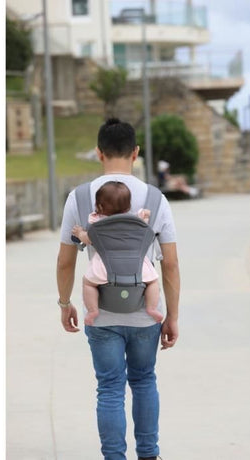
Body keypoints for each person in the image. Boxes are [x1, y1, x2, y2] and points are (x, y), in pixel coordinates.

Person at [56, 118, 180, 460]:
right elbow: (170, 263)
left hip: (101, 313)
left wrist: (65, 303)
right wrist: (172, 315)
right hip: (145, 311)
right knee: (144, 380)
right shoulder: (155, 198)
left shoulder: (80, 197)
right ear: (135, 153)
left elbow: (66, 261)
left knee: (109, 388)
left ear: (99, 153)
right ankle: (149, 454)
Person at [71, 180, 163, 326]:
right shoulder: (135, 219)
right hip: (137, 265)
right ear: (128, 206)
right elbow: (144, 224)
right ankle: (152, 308)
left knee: (88, 283)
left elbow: (88, 239)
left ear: (99, 206)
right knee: (152, 282)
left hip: (104, 265)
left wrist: (79, 233)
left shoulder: (96, 220)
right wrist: (145, 215)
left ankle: (93, 311)